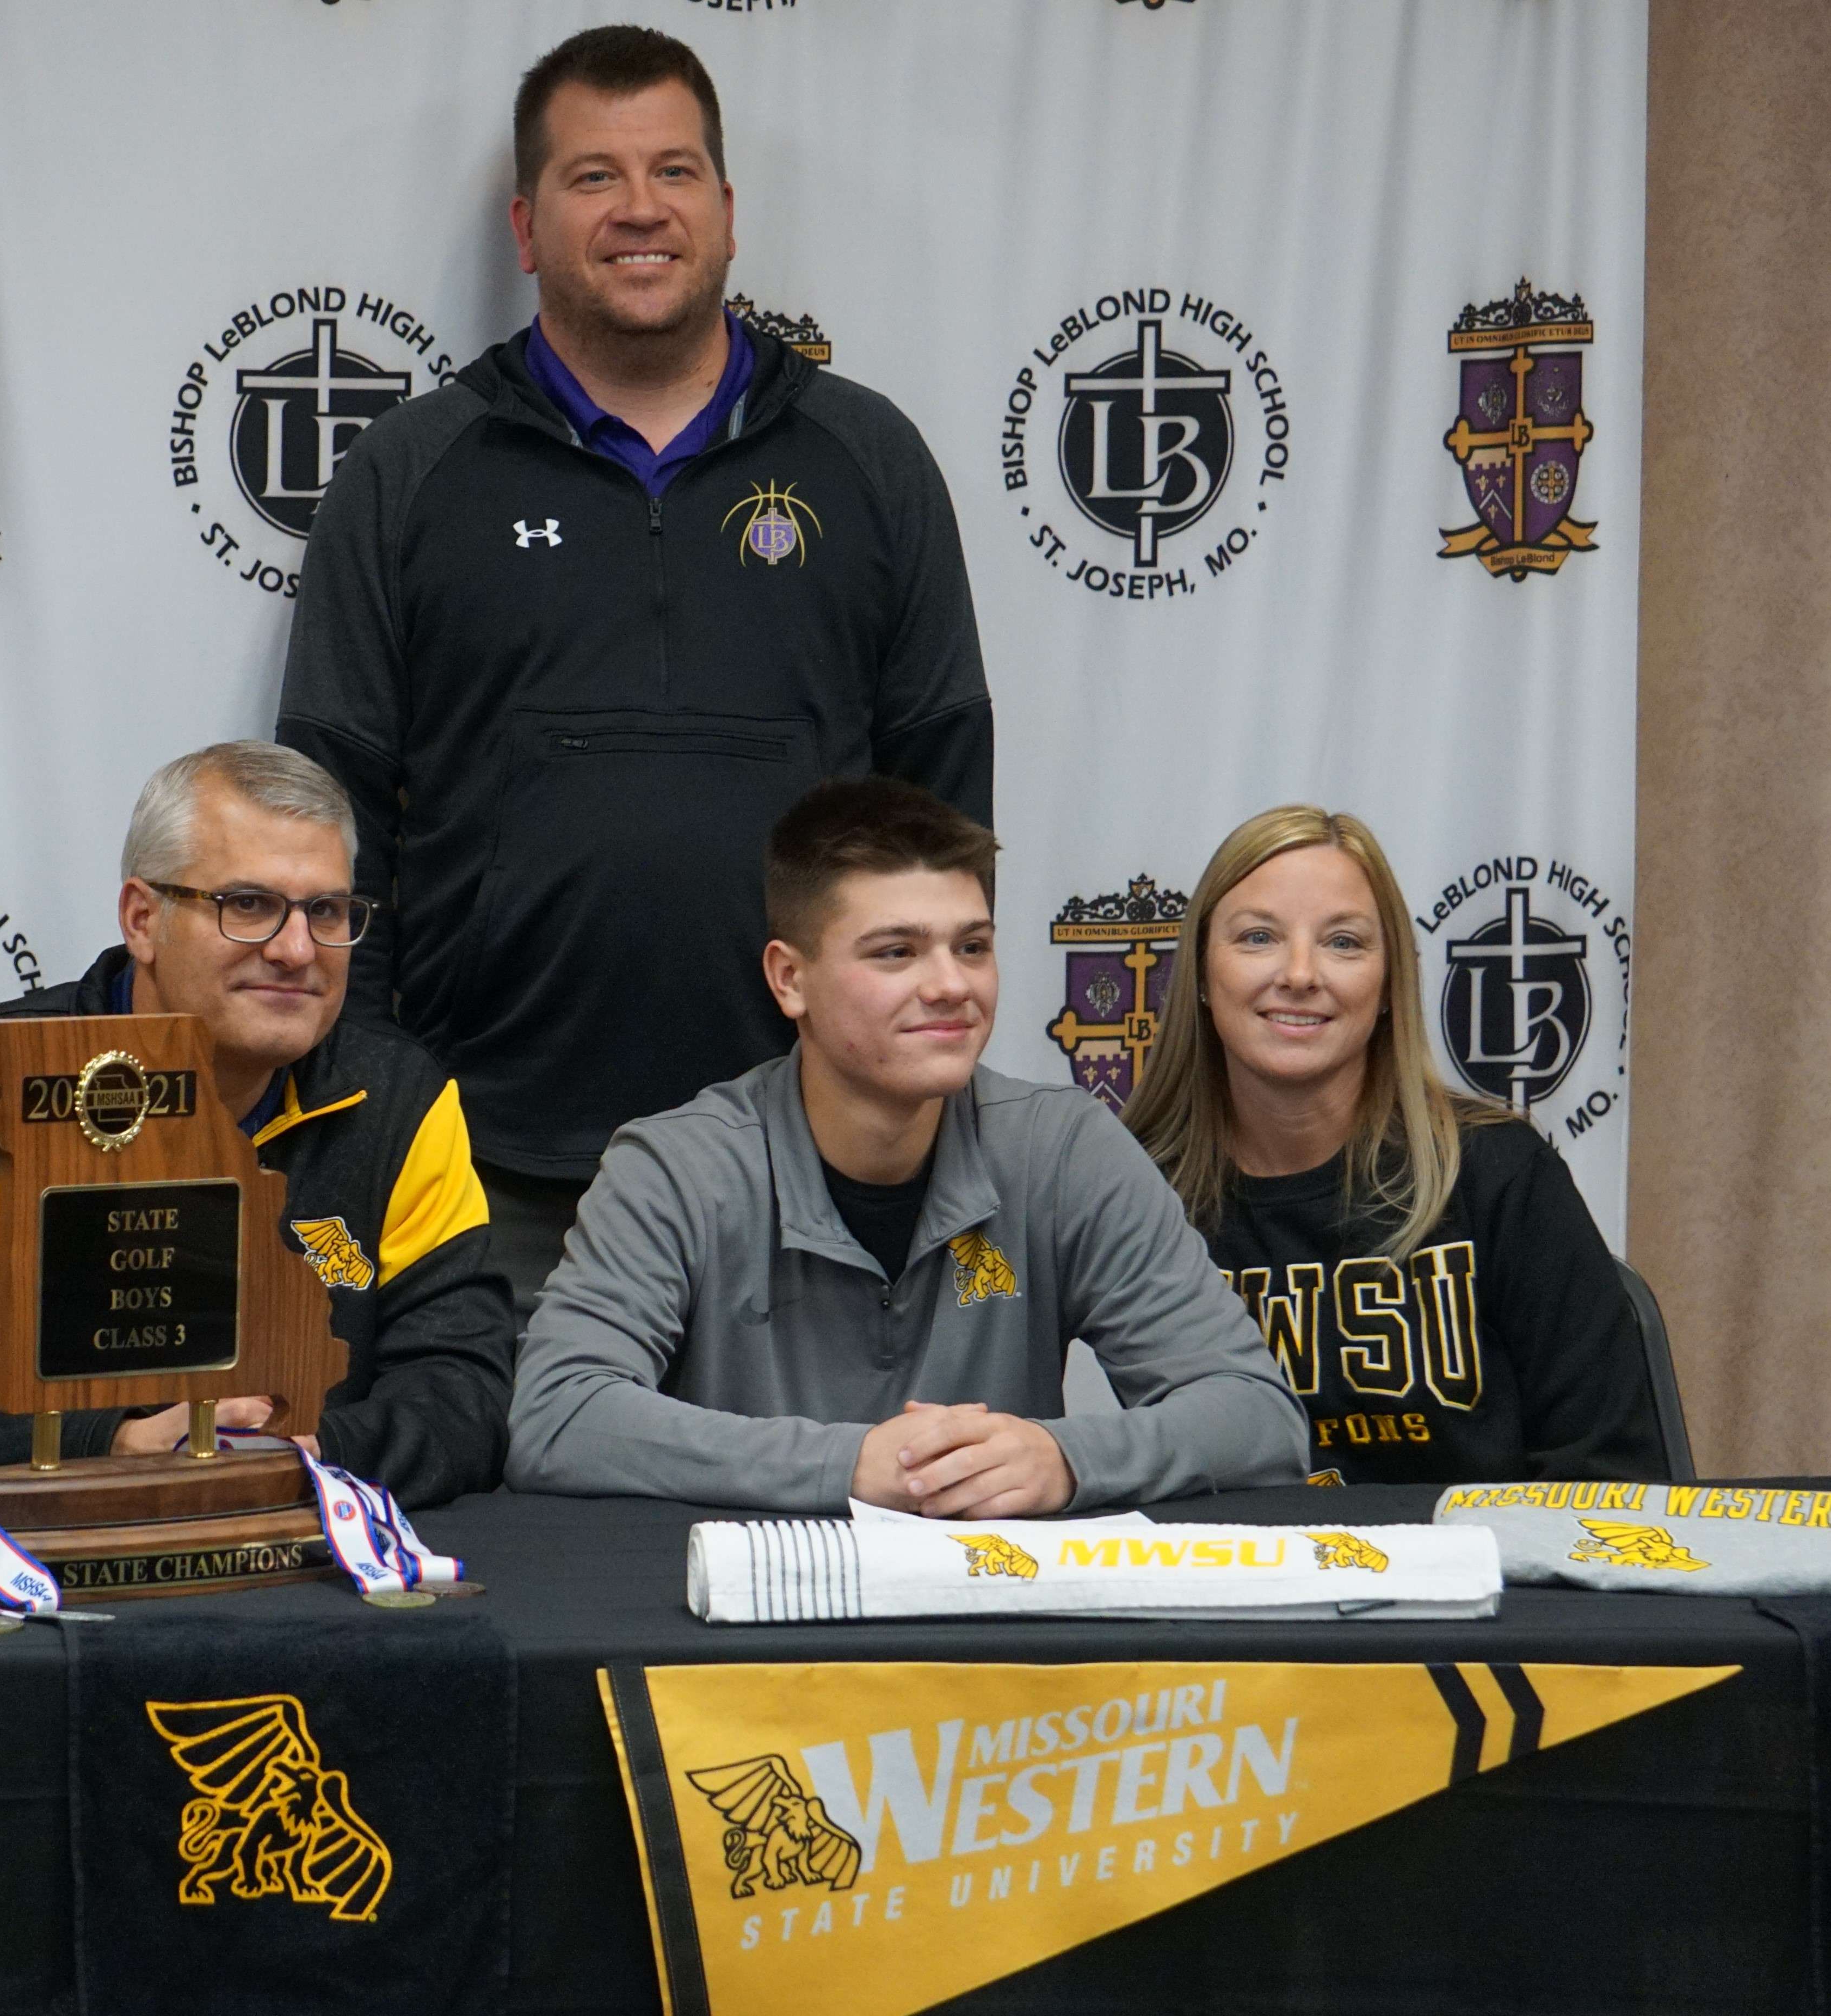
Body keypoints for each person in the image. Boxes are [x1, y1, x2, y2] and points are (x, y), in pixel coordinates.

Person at [279, 25, 992, 1324]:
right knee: (508, 1529)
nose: (639, 209)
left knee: (807, 1526)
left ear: (726, 212)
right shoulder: (406, 476)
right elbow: (326, 831)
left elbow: (938, 815)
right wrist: (379, 1113)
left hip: (808, 1163)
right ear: (525, 224)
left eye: (672, 172)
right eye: (592, 178)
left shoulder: (869, 463)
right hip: (484, 1174)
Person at [505, 779, 1308, 1514]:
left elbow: (1257, 1417)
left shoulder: (1062, 1148)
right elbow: (559, 1414)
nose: (952, 985)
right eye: (896, 952)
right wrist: (847, 1463)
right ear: (789, 980)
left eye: (972, 946)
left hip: (997, 1625)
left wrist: (1063, 1457)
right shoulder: (676, 1167)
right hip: (738, 1637)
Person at [0, 742, 513, 1504]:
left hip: (317, 1560)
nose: (296, 949)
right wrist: (114, 1450)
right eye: (248, 905)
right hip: (44, 1580)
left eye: (328, 911)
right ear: (143, 920)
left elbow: (463, 1391)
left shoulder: (402, 1101)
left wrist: (304, 1458)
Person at [1121, 805, 1666, 1484]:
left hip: (1486, 1582)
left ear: (1388, 986)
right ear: (1201, 974)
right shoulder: (1131, 1189)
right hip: (1236, 1583)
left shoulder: (1498, 1172)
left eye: (1343, 943)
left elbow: (1609, 1469)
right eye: (1258, 937)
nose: (1299, 973)